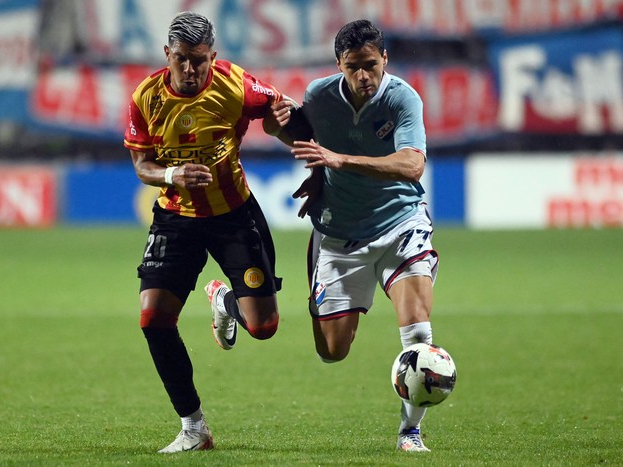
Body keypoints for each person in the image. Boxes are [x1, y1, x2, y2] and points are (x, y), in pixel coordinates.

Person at [123, 11, 290, 454]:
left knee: (264, 327)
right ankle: (193, 428)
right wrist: (173, 174)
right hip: (175, 218)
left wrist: (282, 119)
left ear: (212, 57)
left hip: (234, 216)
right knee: (153, 319)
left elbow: (279, 113)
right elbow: (142, 165)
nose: (191, 69)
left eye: (200, 60)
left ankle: (222, 298)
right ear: (167, 55)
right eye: (182, 59)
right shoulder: (145, 97)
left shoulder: (236, 85)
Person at [272, 19, 440, 452]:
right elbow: (304, 137)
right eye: (353, 67)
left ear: (384, 58)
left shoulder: (403, 98)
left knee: (419, 334)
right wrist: (312, 167)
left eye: (370, 65)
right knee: (332, 351)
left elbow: (411, 166)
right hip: (339, 233)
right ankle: (333, 299)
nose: (364, 76)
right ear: (338, 65)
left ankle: (410, 432)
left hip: (400, 224)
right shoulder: (319, 96)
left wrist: (339, 161)